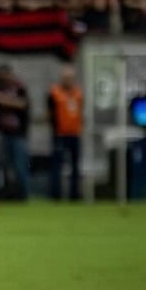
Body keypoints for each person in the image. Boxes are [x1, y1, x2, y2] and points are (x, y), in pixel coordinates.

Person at [0, 65, 30, 201]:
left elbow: (23, 104)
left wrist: (4, 100)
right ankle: (7, 193)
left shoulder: (19, 88)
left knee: (20, 165)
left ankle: (23, 195)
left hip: (18, 134)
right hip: (3, 133)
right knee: (4, 165)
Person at [47, 64, 83, 201]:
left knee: (75, 167)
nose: (68, 81)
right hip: (60, 135)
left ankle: (74, 195)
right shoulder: (55, 93)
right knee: (57, 166)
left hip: (75, 134)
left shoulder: (78, 93)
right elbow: (50, 113)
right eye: (66, 78)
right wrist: (55, 131)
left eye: (70, 78)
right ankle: (56, 195)